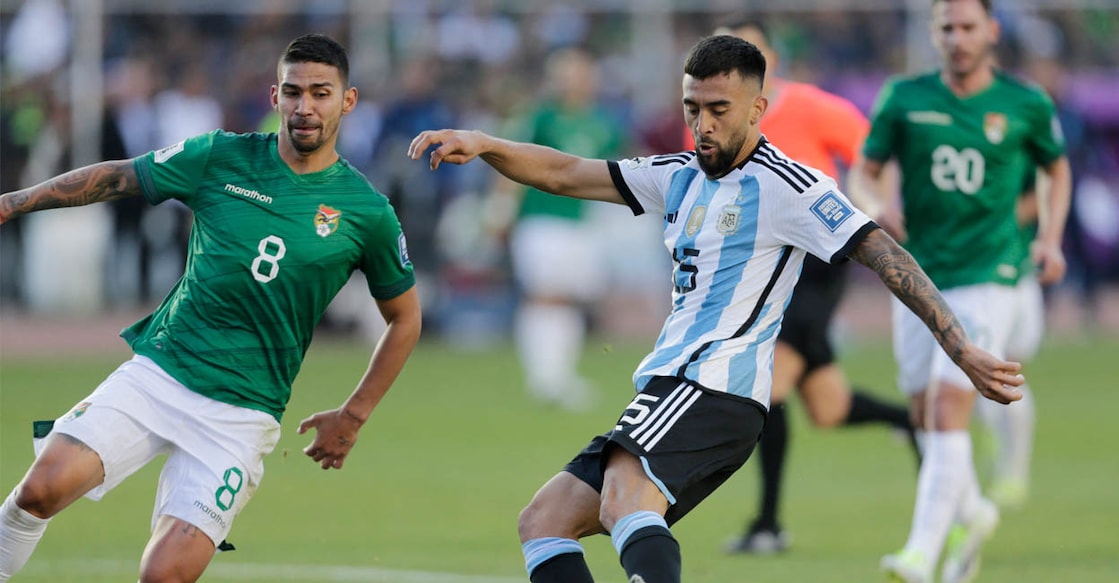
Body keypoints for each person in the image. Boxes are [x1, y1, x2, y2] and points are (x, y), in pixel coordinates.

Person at [408, 34, 1024, 583]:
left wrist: (959, 345)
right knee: (542, 522)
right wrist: (486, 143)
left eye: (718, 110)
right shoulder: (676, 174)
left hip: (714, 385)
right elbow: (567, 173)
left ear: (758, 109)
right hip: (676, 384)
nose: (702, 123)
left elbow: (887, 255)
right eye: (692, 108)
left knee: (624, 499)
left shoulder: (791, 186)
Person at [0, 33, 421, 583]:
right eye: (293, 92)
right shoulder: (221, 155)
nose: (305, 106)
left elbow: (405, 316)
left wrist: (354, 414)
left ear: (348, 100)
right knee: (41, 489)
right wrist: (11, 203)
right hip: (161, 372)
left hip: (242, 415)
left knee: (165, 575)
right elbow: (122, 176)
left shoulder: (367, 211)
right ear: (275, 97)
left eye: (321, 93)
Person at [684, 17, 917, 555]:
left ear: (771, 61)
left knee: (768, 387)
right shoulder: (705, 118)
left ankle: (768, 525)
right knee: (827, 408)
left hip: (813, 264)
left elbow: (871, 160)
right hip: (755, 266)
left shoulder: (815, 106)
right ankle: (916, 420)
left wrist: (877, 208)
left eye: (747, 52)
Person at [856, 2, 1071, 581]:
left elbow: (1057, 169)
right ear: (933, 34)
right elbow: (864, 169)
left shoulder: (1025, 102)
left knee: (951, 406)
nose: (957, 38)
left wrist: (1049, 237)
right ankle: (973, 512)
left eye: (968, 27)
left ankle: (920, 553)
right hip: (919, 277)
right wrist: (876, 206)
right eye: (946, 28)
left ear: (991, 32)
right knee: (924, 411)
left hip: (990, 276)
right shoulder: (903, 97)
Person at [491, 46, 627, 410]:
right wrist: (501, 210)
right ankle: (545, 378)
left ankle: (559, 376)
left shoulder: (603, 122)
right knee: (545, 293)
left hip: (583, 221)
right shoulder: (539, 118)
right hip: (542, 218)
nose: (573, 81)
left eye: (579, 73)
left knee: (568, 297)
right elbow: (512, 163)